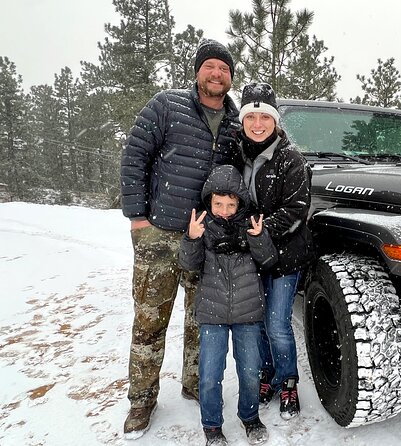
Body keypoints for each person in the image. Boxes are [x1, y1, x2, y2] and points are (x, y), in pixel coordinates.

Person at [119, 38, 241, 438]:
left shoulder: (237, 123)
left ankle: (194, 382)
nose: (217, 73)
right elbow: (135, 155)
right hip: (160, 232)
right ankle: (141, 400)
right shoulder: (167, 105)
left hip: (206, 237)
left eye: (223, 68)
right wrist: (138, 217)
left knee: (199, 319)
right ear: (197, 71)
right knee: (150, 321)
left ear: (230, 77)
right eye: (210, 66)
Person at [179, 164, 277, 446]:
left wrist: (259, 239)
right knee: (210, 375)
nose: (223, 210)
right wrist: (192, 239)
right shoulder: (202, 227)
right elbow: (188, 265)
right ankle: (211, 427)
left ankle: (250, 417)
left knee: (249, 372)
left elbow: (269, 261)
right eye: (218, 203)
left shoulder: (251, 227)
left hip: (247, 314)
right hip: (212, 313)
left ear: (239, 204)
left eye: (230, 204)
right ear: (209, 202)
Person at [237, 82, 315, 420]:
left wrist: (261, 231)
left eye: (264, 117)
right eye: (250, 117)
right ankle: (267, 373)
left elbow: (296, 208)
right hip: (251, 255)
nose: (257, 124)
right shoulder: (237, 153)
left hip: (286, 254)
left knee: (278, 322)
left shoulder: (290, 158)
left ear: (275, 120)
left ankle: (289, 382)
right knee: (258, 322)